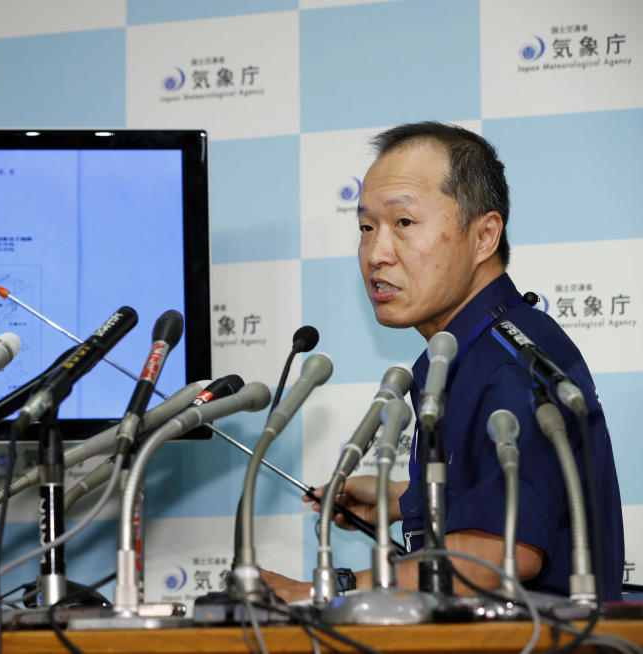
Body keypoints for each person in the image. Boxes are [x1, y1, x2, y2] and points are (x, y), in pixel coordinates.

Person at [263, 122, 624, 602]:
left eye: (404, 224)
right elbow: (504, 493)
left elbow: (498, 555)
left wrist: (325, 589)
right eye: (366, 228)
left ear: (484, 236)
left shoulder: (510, 365)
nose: (376, 253)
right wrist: (399, 500)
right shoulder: (469, 351)